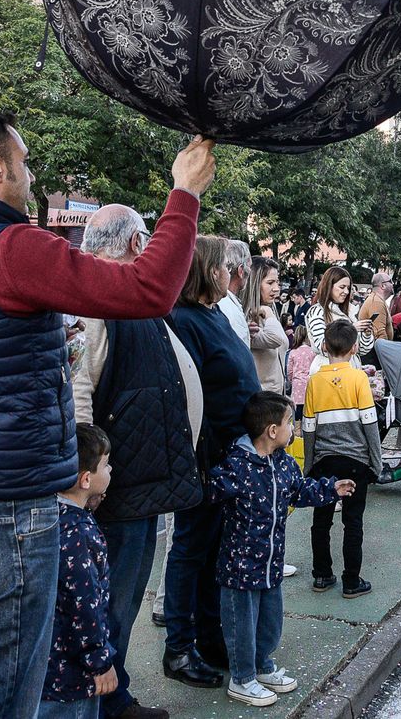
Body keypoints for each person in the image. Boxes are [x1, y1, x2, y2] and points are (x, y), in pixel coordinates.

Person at [0, 112, 214, 716]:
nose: (30, 176)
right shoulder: (13, 247)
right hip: (10, 508)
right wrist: (185, 193)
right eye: (24, 163)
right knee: (2, 695)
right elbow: (146, 289)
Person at [71, 203, 201, 719]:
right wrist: (84, 484)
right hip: (114, 491)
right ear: (135, 244)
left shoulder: (128, 298)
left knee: (120, 600)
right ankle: (105, 703)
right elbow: (81, 396)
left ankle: (114, 696)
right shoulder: (96, 304)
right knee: (111, 604)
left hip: (139, 482)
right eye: (148, 239)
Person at [163, 235, 262, 688]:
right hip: (208, 456)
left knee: (211, 552)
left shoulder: (212, 314)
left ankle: (208, 637)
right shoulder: (185, 319)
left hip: (228, 452)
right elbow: (189, 392)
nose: (232, 274)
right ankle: (180, 648)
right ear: (207, 270)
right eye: (224, 266)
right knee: (191, 549)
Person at [210, 392, 352, 707]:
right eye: (290, 423)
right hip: (239, 567)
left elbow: (299, 491)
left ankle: (261, 665)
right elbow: (209, 491)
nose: (294, 429)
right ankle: (242, 678)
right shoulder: (237, 465)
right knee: (241, 625)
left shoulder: (283, 463)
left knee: (269, 620)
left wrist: (330, 488)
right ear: (272, 431)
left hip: (270, 563)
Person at [301, 320, 383, 599]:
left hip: (324, 459)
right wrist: (376, 460)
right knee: (353, 520)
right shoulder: (359, 378)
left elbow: (308, 426)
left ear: (325, 346)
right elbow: (370, 423)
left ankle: (322, 574)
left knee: (321, 520)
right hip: (356, 459)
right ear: (355, 348)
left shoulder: (314, 381)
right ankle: (351, 580)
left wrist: (308, 464)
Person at [40, 424, 116, 719]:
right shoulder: (79, 532)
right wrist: (100, 661)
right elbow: (84, 604)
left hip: (48, 665)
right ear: (86, 479)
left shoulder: (50, 517)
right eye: (106, 465)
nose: (111, 470)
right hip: (72, 674)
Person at [304, 266, 375, 361]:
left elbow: (359, 350)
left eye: (348, 288)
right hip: (329, 372)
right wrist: (351, 329)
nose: (346, 292)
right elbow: (323, 346)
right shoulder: (317, 311)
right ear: (329, 286)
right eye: (342, 287)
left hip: (349, 371)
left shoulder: (350, 312)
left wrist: (366, 334)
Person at [244, 256, 290, 394]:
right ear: (255, 284)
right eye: (270, 283)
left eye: (277, 282)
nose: (276, 288)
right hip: (260, 398)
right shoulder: (248, 318)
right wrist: (269, 313)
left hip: (275, 396)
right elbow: (276, 339)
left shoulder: (269, 309)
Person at [356, 271, 395, 360]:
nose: (393, 284)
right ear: (383, 286)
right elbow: (380, 335)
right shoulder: (376, 302)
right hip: (374, 354)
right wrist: (387, 357)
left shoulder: (378, 300)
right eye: (391, 281)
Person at [286, 327, 316, 412]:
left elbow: (289, 371)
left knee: (298, 412)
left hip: (297, 384)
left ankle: (298, 425)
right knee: (309, 410)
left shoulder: (293, 352)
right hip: (310, 383)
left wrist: (292, 381)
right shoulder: (313, 352)